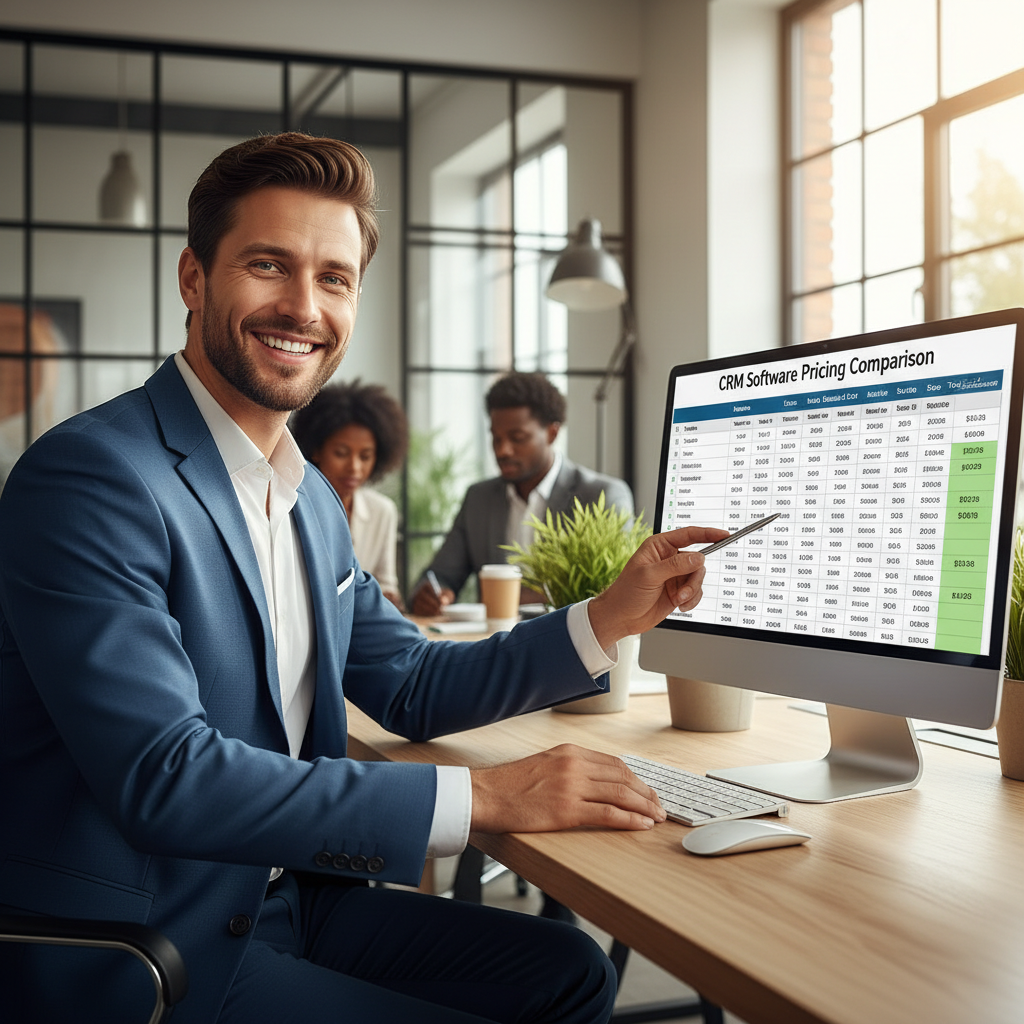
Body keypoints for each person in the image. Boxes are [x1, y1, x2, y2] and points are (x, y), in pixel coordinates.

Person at [0, 132, 723, 1024]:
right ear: (194, 278)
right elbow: (167, 775)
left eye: (334, 278)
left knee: (568, 971)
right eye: (269, 265)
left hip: (287, 900)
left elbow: (410, 681)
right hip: (153, 944)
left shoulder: (306, 500)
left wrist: (605, 619)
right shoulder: (94, 477)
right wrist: (488, 795)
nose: (303, 307)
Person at [410, 372, 634, 615]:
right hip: (494, 645)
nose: (503, 450)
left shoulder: (600, 496)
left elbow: (614, 592)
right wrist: (432, 594)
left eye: (518, 438)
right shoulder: (479, 499)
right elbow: (438, 576)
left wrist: (516, 596)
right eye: (496, 439)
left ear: (552, 433)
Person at [291, 380, 407, 608]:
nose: (354, 467)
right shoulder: (292, 505)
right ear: (315, 449)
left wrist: (389, 597)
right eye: (341, 453)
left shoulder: (382, 511)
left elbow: (386, 584)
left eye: (365, 456)